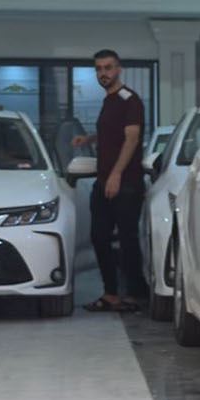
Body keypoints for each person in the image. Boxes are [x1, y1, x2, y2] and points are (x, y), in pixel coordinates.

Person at [72, 49, 149, 311]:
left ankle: (135, 294)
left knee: (127, 239)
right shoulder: (109, 101)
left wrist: (116, 174)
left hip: (126, 183)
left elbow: (131, 138)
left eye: (108, 68)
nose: (103, 73)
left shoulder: (130, 100)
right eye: (99, 69)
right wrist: (89, 140)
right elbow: (113, 134)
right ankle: (111, 293)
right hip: (103, 181)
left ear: (119, 69)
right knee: (99, 236)